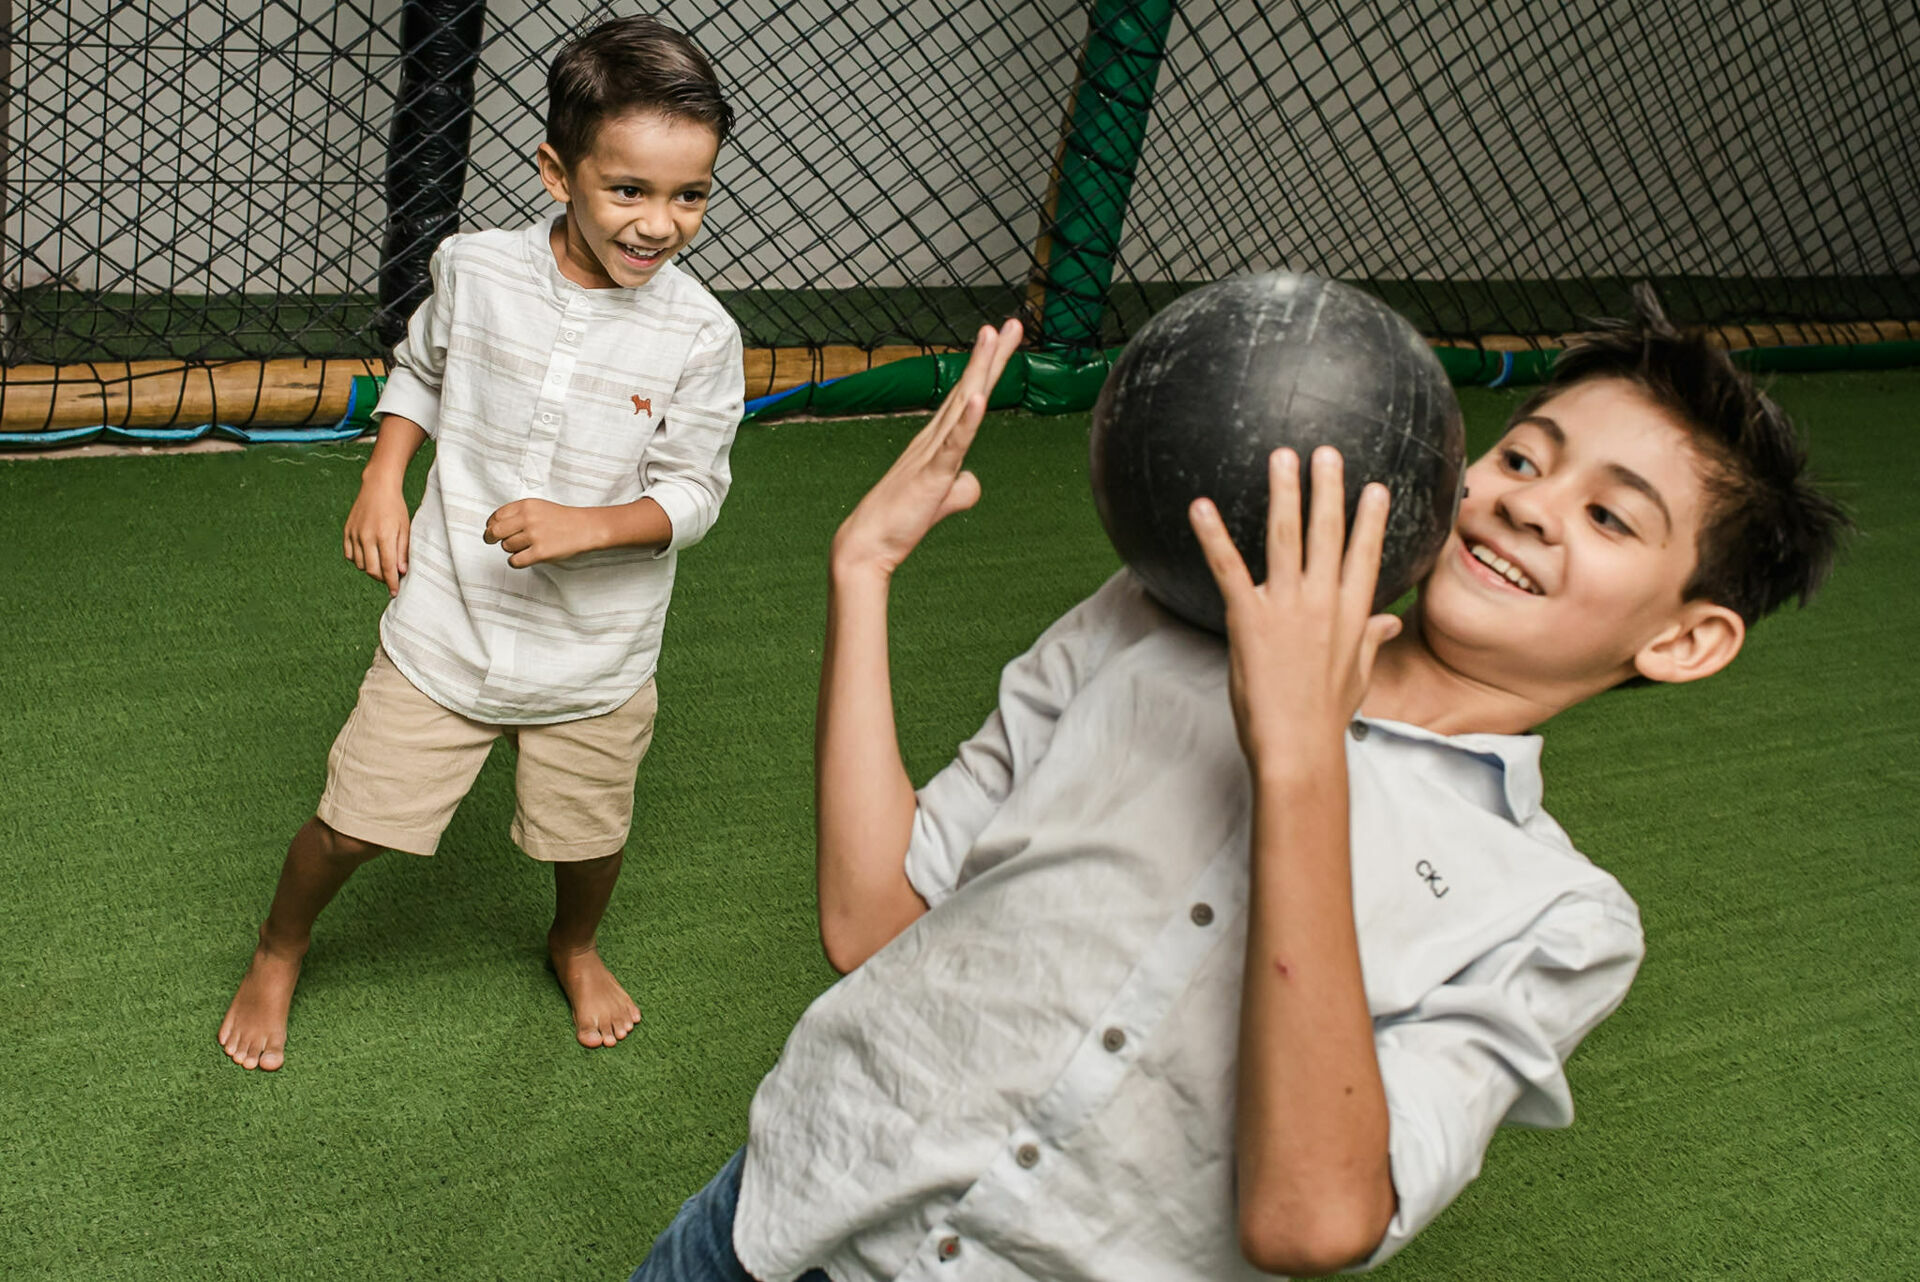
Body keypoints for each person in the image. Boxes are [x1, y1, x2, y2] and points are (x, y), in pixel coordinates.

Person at [630, 288, 1846, 1280]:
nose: (1527, 502)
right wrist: (864, 570)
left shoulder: (1557, 919)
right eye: (1524, 453)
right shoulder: (1144, 618)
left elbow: (1311, 1220)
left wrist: (1303, 758)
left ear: (1685, 640)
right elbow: (873, 921)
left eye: (1610, 517)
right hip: (781, 1215)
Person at [217, 16, 742, 1071]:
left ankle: (573, 941)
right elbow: (422, 370)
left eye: (690, 195)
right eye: (628, 190)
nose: (660, 224)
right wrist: (382, 479)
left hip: (598, 652)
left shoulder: (703, 335)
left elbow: (695, 492)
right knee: (351, 824)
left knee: (589, 839)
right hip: (449, 622)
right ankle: (281, 944)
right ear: (558, 170)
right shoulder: (474, 268)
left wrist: (592, 527)